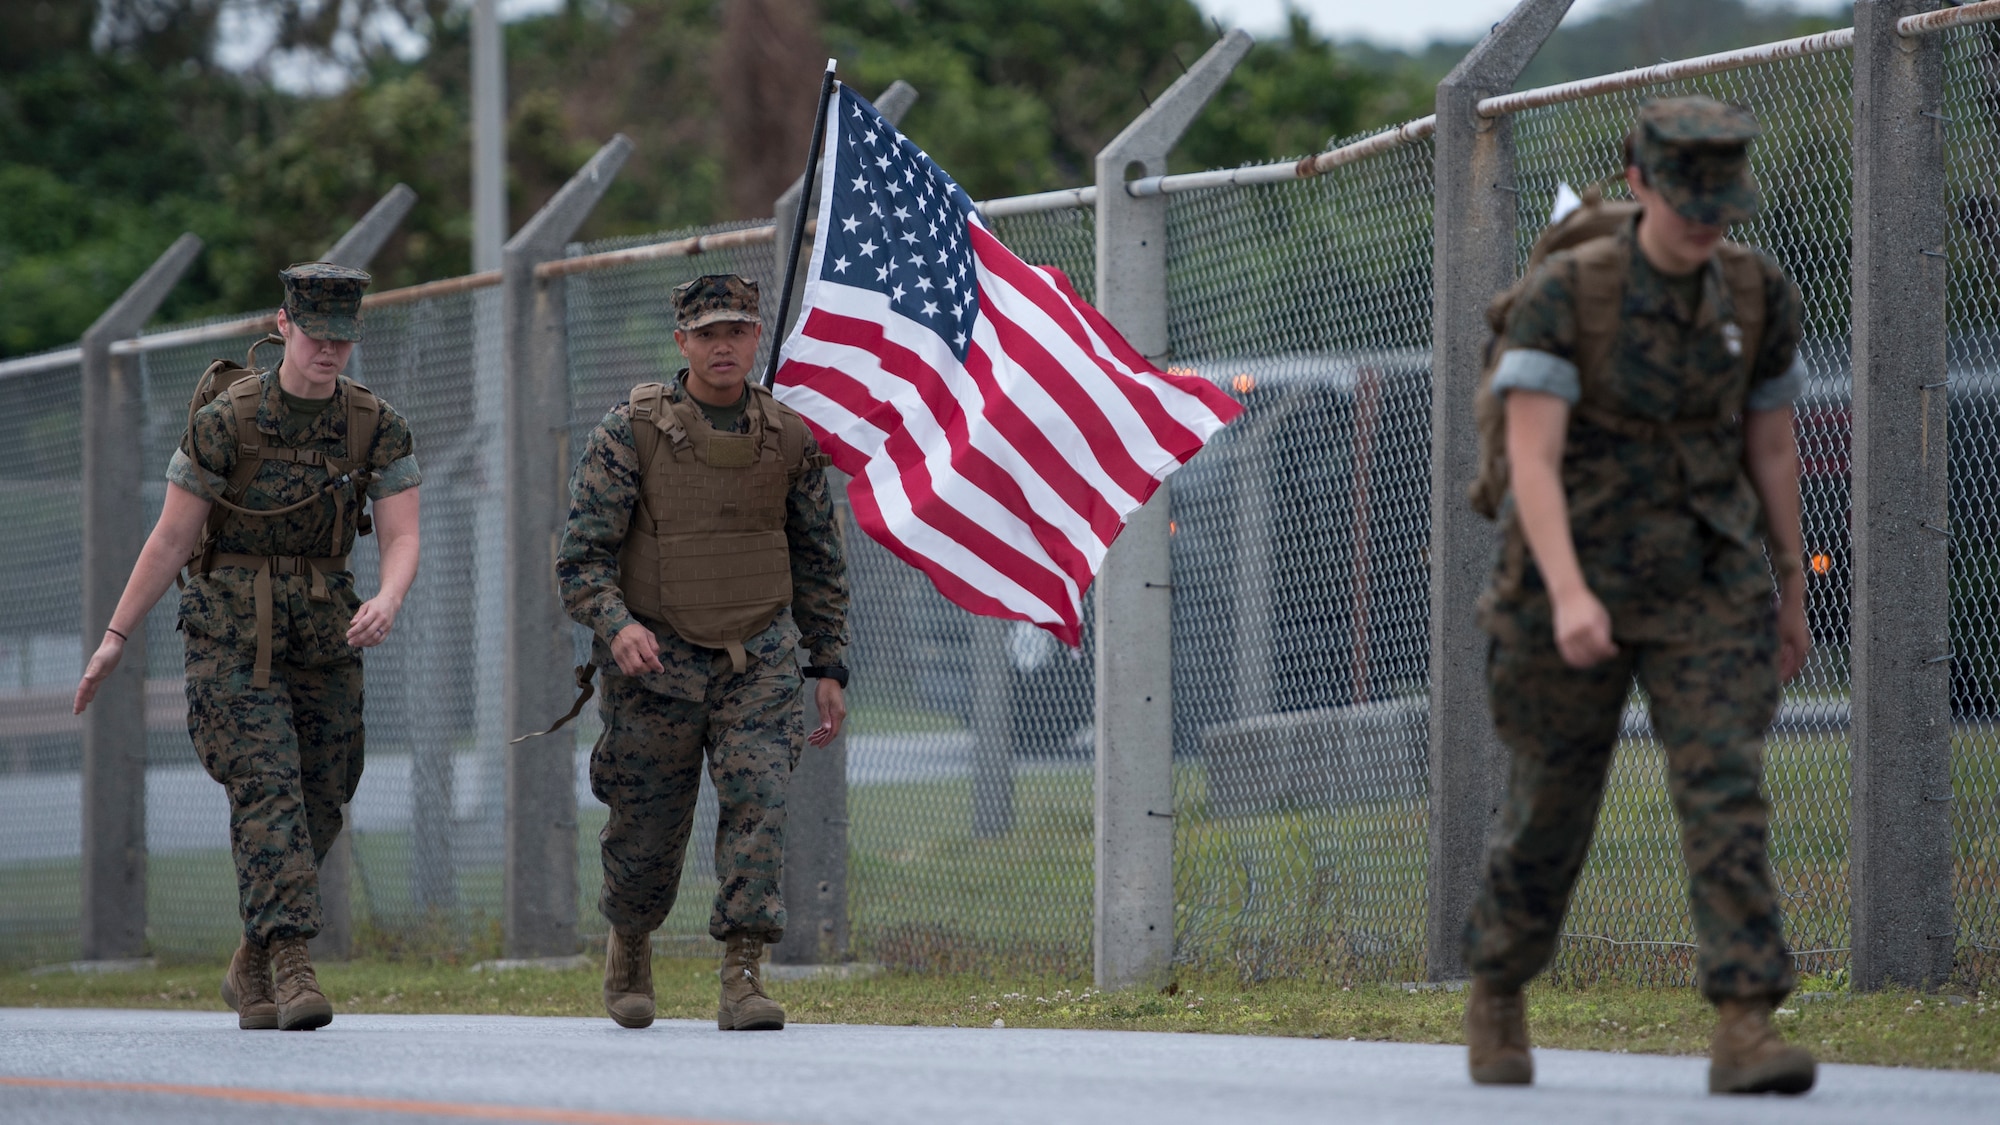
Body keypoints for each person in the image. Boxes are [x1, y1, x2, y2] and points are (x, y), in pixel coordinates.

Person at [1462, 96, 1817, 1096]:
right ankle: (1496, 984)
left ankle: (1744, 1023)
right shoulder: (1569, 293)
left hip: (1703, 579)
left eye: (1718, 202)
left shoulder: (1754, 295)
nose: (1703, 221)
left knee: (1723, 793)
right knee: (1548, 810)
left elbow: (1771, 445)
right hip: (1561, 581)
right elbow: (1528, 458)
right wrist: (1572, 596)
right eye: (1683, 199)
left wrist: (1788, 584)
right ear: (1638, 186)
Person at [73, 263, 422, 1032]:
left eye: (343, 337)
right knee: (268, 787)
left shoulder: (374, 424)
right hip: (229, 637)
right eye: (316, 335)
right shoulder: (227, 418)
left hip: (325, 635)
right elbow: (172, 536)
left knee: (325, 792)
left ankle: (250, 957)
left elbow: (402, 533)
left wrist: (389, 597)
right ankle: (294, 961)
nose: (329, 351)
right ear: (284, 324)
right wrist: (114, 637)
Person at [555, 273, 850, 1032]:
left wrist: (828, 664)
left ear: (757, 339)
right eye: (708, 333)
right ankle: (631, 938)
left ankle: (744, 970)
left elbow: (819, 562)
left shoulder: (788, 438)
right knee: (646, 832)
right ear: (681, 341)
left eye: (738, 331)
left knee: (761, 804)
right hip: (656, 662)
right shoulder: (631, 432)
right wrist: (619, 625)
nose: (724, 346)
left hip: (759, 659)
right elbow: (582, 559)